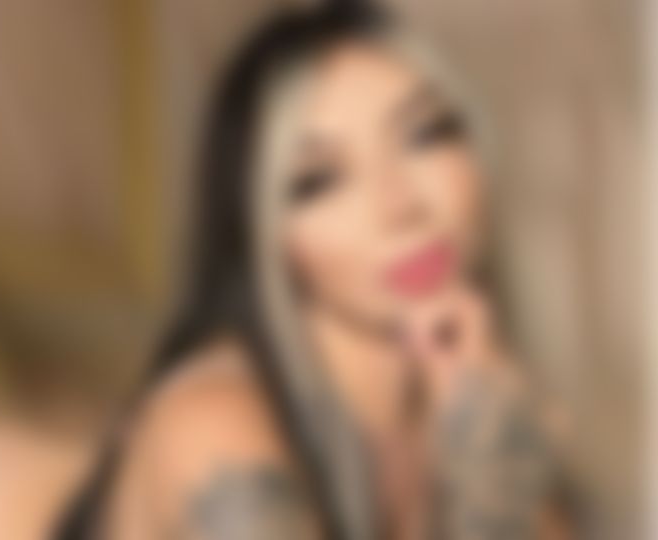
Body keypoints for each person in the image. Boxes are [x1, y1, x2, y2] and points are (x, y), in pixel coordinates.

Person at [59, 3, 578, 539]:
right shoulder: (212, 425)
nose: (400, 205)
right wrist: (494, 493)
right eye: (321, 180)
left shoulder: (478, 399)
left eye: (424, 134)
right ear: (263, 231)